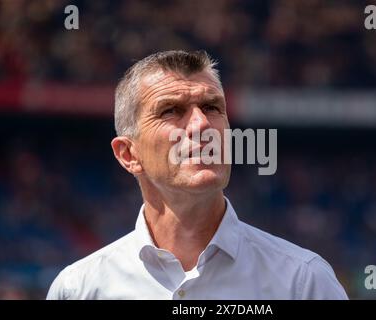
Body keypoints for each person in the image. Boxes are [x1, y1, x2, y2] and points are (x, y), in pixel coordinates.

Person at [47, 50, 348, 300]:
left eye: (211, 107)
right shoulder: (79, 289)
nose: (202, 125)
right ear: (129, 155)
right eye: (170, 111)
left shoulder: (304, 282)